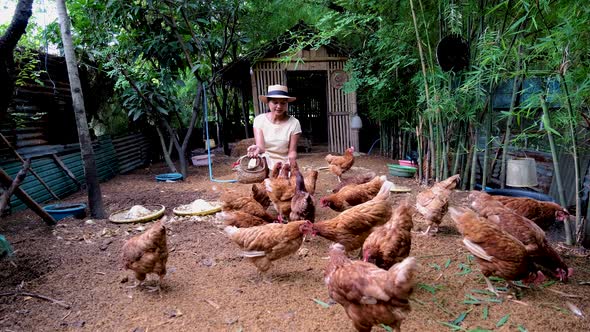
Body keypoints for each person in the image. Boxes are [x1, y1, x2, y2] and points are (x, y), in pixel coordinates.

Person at [247, 84, 301, 169]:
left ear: (287, 104)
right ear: (268, 103)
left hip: (284, 164)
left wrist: (290, 166)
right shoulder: (259, 120)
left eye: (283, 103)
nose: (279, 106)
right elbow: (261, 147)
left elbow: (292, 151)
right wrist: (256, 149)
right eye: (275, 102)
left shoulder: (294, 123)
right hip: (264, 163)